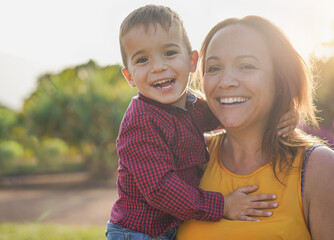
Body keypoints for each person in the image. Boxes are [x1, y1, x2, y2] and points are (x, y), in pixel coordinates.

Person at [106, 5, 296, 239]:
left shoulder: (192, 106)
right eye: (143, 59)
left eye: (169, 53)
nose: (158, 67)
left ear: (192, 61)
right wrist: (223, 205)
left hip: (167, 228)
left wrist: (279, 112)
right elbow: (161, 189)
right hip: (137, 233)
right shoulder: (141, 122)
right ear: (129, 77)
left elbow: (231, 108)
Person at [176, 15, 334, 240]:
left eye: (246, 66)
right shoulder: (191, 160)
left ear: (279, 80)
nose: (226, 81)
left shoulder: (319, 169)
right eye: (214, 67)